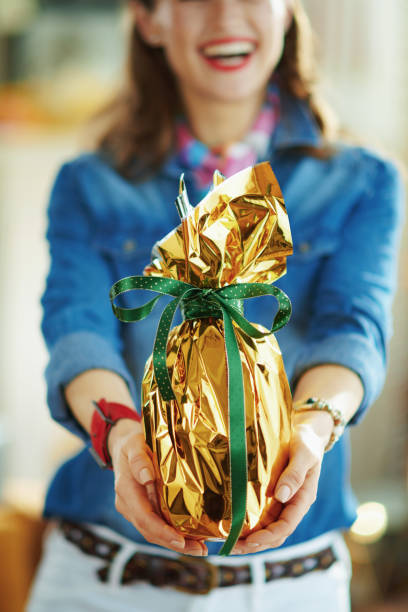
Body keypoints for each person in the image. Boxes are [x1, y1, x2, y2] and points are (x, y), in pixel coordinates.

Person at [26, 0, 404, 610]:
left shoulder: (365, 180)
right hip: (105, 581)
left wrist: (312, 426)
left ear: (287, 11)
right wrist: (120, 436)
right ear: (149, 20)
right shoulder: (90, 182)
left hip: (290, 585)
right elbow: (78, 331)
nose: (227, 14)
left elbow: (353, 330)